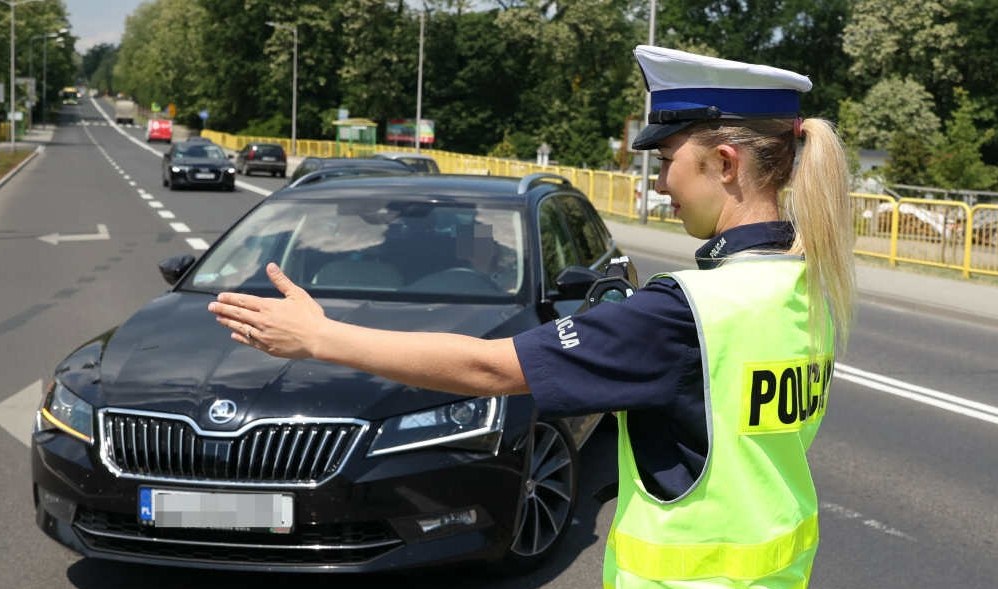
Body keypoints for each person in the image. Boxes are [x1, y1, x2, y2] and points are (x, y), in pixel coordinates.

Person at [208, 45, 855, 589]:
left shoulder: (686, 312)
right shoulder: (806, 286)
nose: (660, 185)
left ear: (725, 163)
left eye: (666, 163)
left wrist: (320, 336)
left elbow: (490, 367)